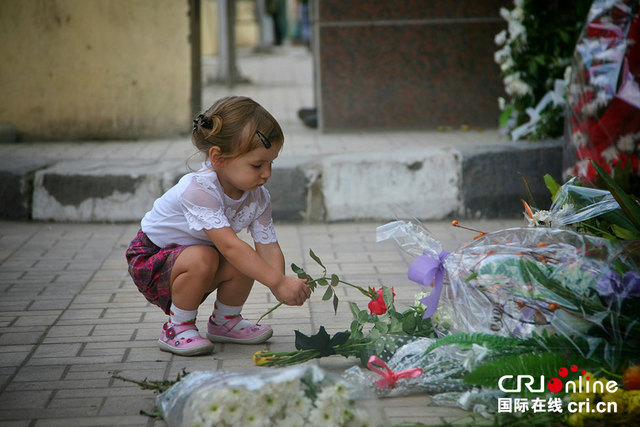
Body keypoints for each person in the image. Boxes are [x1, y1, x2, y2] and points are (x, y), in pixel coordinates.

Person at [125, 96, 311, 356]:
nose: (267, 173)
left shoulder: (257, 195)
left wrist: (278, 285)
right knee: (219, 253)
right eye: (257, 164)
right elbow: (229, 246)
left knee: (243, 257)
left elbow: (267, 246)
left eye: (271, 163)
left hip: (198, 259)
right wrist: (279, 282)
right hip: (153, 261)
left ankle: (225, 322)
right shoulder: (198, 189)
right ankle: (177, 327)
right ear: (218, 157)